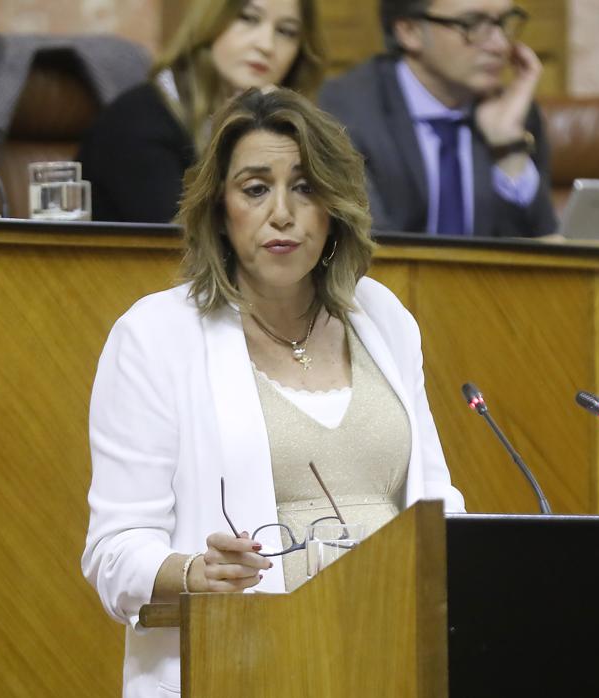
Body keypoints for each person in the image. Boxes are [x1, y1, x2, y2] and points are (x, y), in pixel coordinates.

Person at [81, 87, 465, 697]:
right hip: (246, 661)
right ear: (219, 208)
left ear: (335, 206)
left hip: (391, 652)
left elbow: (438, 506)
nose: (282, 213)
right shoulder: (155, 336)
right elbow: (114, 551)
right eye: (255, 188)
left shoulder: (383, 317)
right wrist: (194, 572)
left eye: (306, 187)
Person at [318, 0, 557, 238]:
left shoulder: (513, 112)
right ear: (410, 32)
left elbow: (547, 247)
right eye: (472, 24)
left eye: (503, 22)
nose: (500, 45)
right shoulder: (345, 112)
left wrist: (508, 149)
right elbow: (366, 245)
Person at [77, 0, 325, 223]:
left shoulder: (282, 127)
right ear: (210, 22)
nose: (266, 45)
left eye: (286, 32)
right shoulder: (135, 124)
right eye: (248, 18)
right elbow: (182, 250)